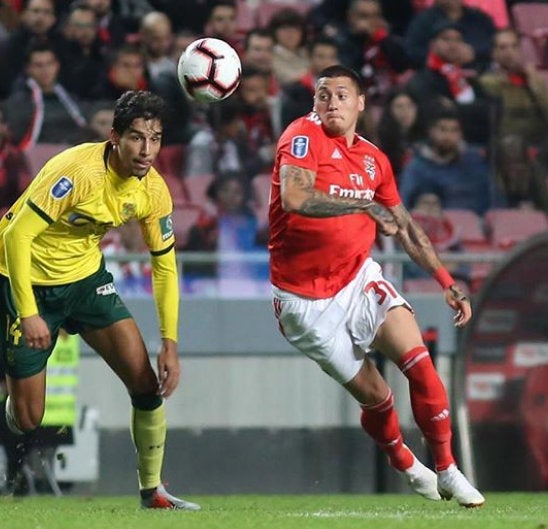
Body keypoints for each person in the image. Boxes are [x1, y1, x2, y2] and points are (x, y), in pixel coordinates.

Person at [268, 64, 485, 508]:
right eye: (323, 95)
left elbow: (403, 226)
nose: (332, 104)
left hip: (357, 277)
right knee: (377, 397)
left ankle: (447, 468)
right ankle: (403, 460)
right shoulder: (301, 136)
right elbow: (295, 198)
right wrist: (362, 206)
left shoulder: (373, 160)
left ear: (361, 103)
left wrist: (447, 281)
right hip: (303, 300)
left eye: (342, 95)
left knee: (420, 364)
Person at [0, 90, 200, 510]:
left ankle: (153, 490)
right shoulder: (76, 172)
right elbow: (16, 235)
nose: (146, 150)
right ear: (114, 137)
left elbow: (164, 266)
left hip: (86, 281)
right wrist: (29, 312)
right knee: (28, 418)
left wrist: (170, 343)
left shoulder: (154, 192)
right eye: (135, 138)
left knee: (146, 384)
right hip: (24, 279)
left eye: (155, 138)